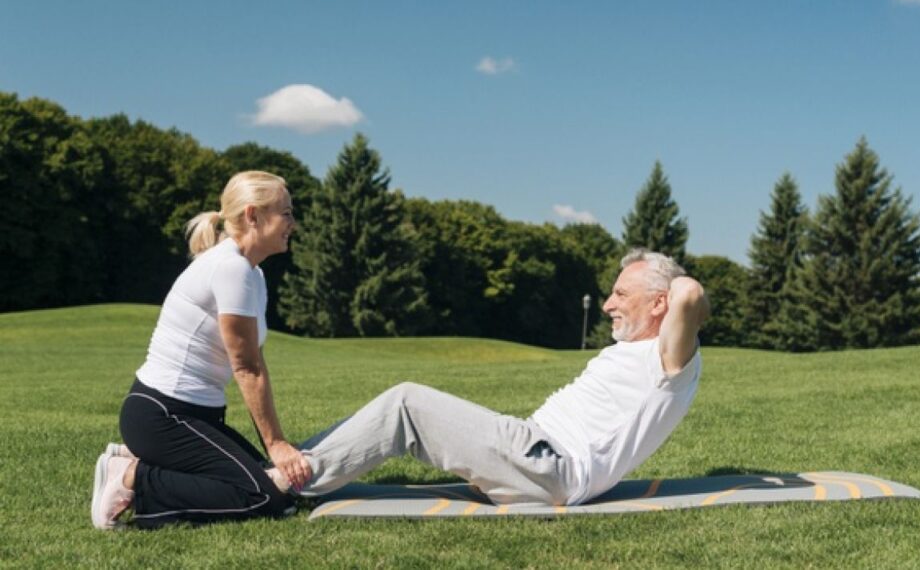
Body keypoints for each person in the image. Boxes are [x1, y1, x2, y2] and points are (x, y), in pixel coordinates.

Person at [297, 249, 710, 506]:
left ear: (659, 303)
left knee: (407, 404)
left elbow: (688, 293)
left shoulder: (669, 362)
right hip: (535, 452)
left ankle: (287, 481)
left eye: (621, 294)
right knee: (409, 408)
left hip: (551, 467)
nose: (606, 305)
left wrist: (672, 284)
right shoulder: (641, 352)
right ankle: (295, 463)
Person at [91, 171, 311, 530]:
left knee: (278, 484)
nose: (293, 224)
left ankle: (137, 462)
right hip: (162, 415)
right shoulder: (231, 268)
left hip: (197, 417)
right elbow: (245, 367)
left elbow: (254, 358)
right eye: (285, 213)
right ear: (253, 215)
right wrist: (277, 445)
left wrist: (275, 447)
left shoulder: (252, 274)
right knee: (267, 498)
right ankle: (134, 477)